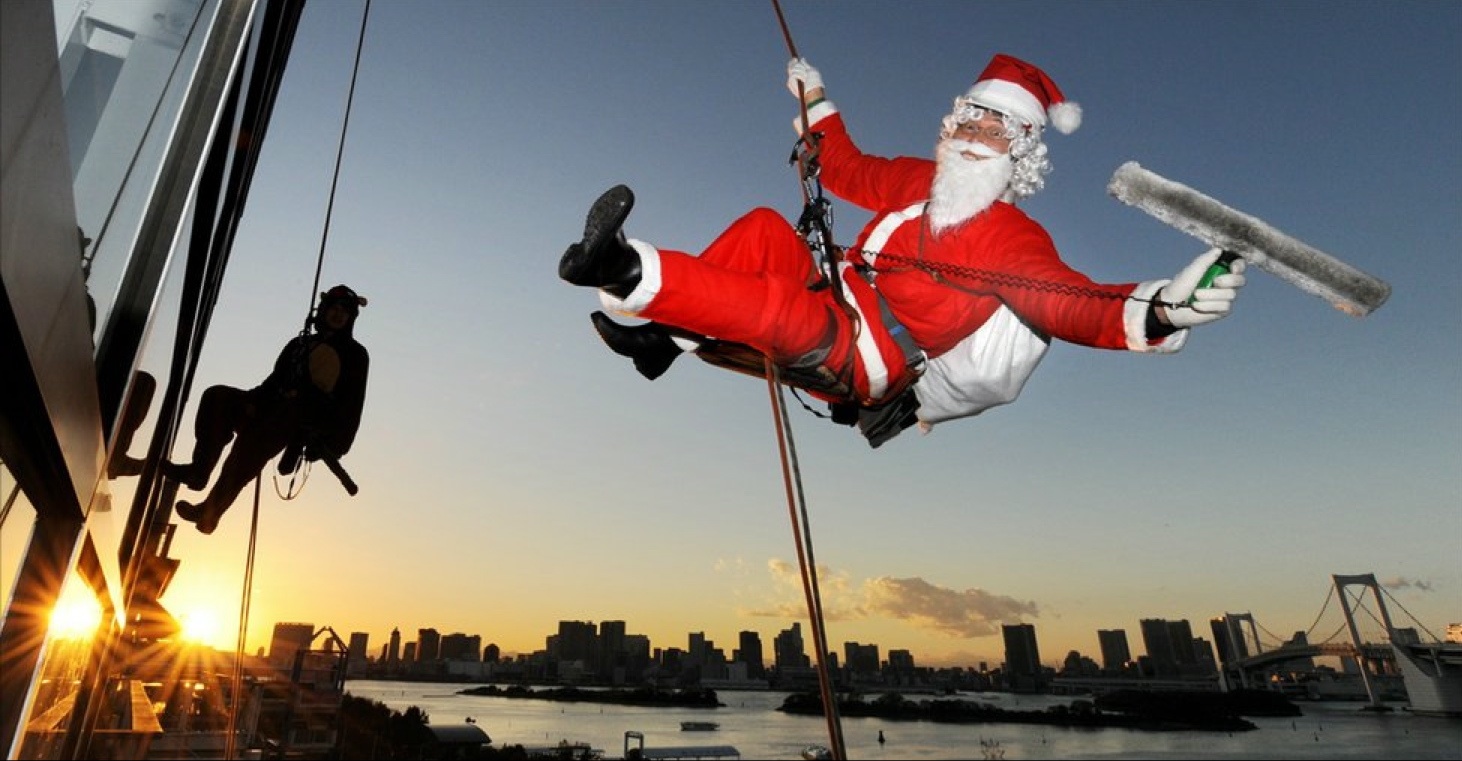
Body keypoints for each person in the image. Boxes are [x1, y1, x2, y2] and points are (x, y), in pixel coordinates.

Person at [559, 54, 1245, 446]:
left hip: (876, 358)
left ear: (1024, 154)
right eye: (974, 117)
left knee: (780, 316)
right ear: (955, 122)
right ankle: (659, 343)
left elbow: (1070, 303)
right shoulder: (922, 179)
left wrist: (1161, 309)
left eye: (1001, 129)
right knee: (765, 229)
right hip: (841, 287)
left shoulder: (1008, 236)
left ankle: (624, 268)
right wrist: (816, 98)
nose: (980, 134)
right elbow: (853, 169)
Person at [164, 285, 370, 533]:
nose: (338, 314)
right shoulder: (299, 343)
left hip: (297, 420)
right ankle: (198, 471)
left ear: (350, 318)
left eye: (344, 311)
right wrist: (251, 401)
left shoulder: (356, 355)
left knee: (251, 445)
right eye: (334, 308)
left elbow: (351, 405)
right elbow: (273, 381)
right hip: (268, 405)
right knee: (217, 397)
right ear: (324, 310)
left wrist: (335, 444)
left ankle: (210, 511)